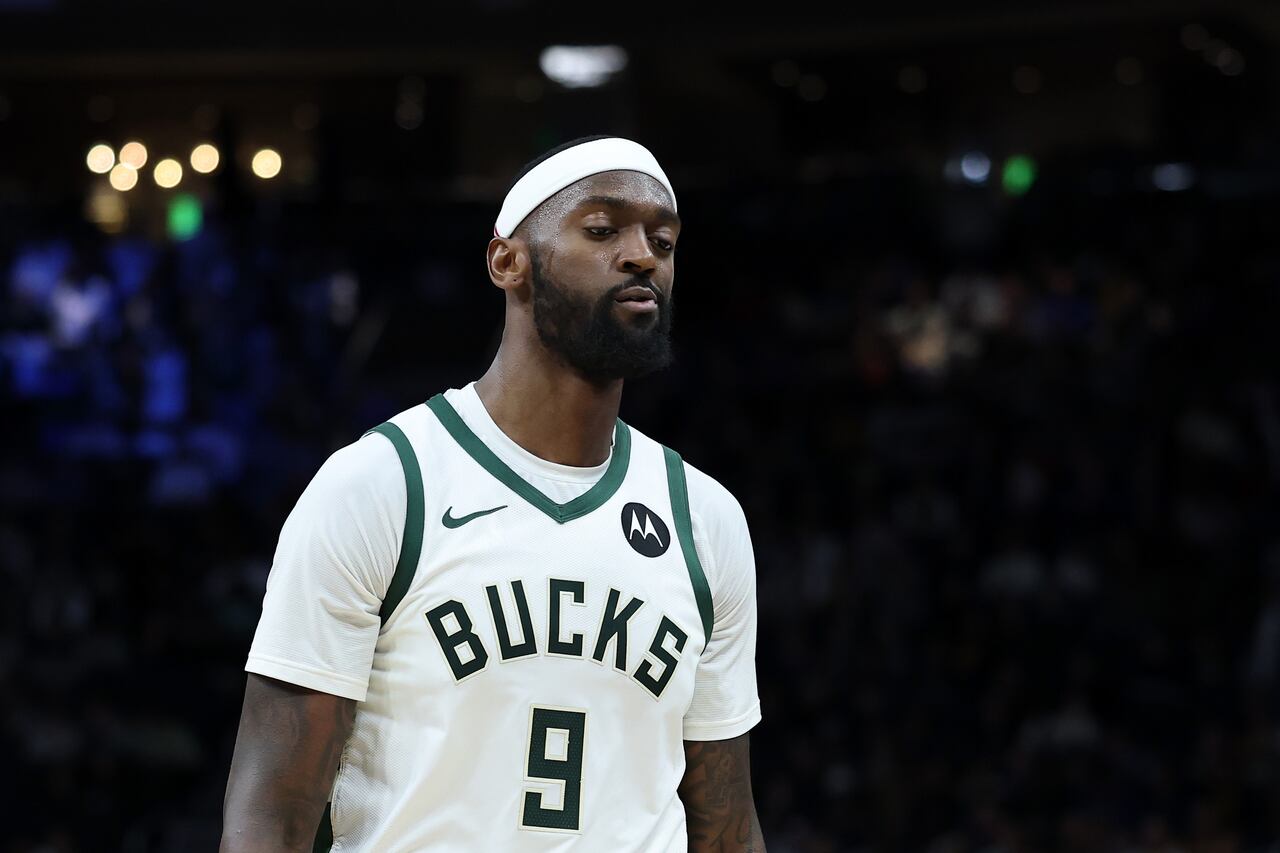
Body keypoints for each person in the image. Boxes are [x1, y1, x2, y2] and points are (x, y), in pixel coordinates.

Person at [220, 136, 765, 852]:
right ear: (507, 260)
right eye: (602, 230)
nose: (642, 255)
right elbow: (273, 812)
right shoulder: (384, 484)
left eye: (662, 239)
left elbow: (725, 828)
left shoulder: (706, 519)